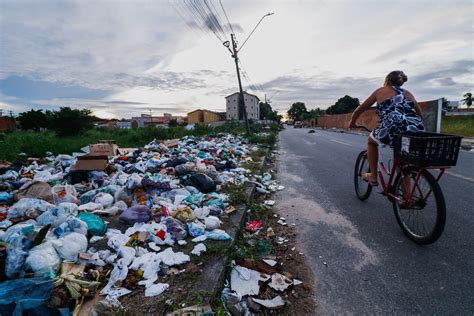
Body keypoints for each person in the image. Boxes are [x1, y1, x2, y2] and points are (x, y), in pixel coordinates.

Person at [349, 71, 425, 185]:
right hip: (415, 129)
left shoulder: (381, 91)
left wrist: (352, 122)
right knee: (402, 161)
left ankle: (373, 177)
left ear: (387, 81)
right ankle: (406, 198)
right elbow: (420, 114)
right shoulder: (408, 93)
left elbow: (360, 109)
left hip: (392, 126)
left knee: (371, 142)